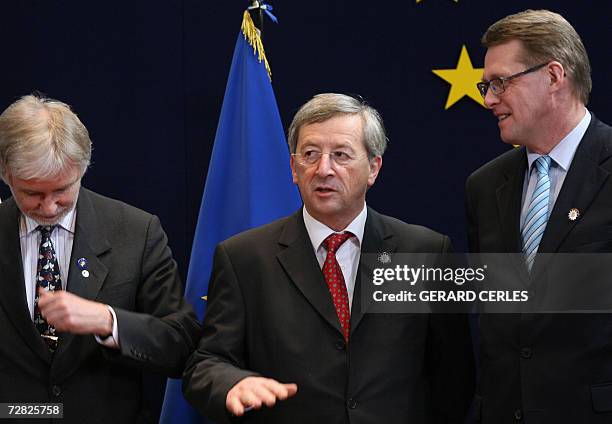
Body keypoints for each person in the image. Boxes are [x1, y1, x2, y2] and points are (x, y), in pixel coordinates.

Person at [183, 93, 474, 423]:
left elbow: (454, 377)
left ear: (373, 168)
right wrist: (233, 383)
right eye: (309, 155)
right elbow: (206, 363)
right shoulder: (244, 258)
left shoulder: (426, 253)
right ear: (293, 168)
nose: (324, 169)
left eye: (341, 155)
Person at [0, 94, 202, 423]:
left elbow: (181, 345)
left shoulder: (137, 232)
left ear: (82, 169)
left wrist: (109, 321)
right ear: (6, 175)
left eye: (62, 190)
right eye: (33, 193)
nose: (49, 207)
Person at [467, 9, 612, 423]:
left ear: (553, 76)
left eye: (500, 82)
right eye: (485, 85)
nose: (488, 98)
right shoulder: (484, 186)